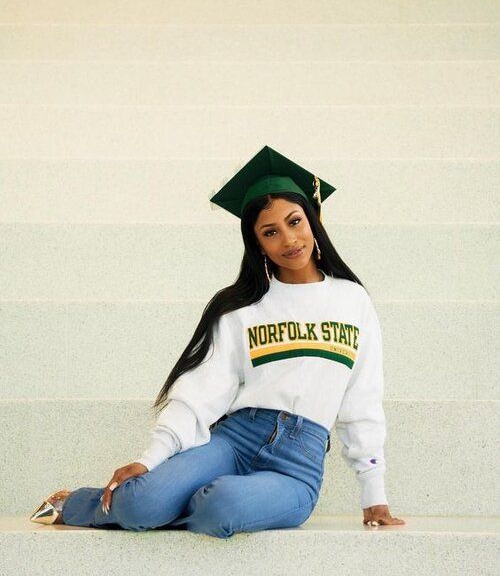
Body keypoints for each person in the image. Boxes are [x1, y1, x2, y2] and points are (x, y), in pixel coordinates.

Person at [30, 144, 406, 536]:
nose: (289, 239)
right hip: (234, 440)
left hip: (298, 464)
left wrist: (373, 493)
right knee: (142, 500)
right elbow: (202, 389)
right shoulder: (241, 307)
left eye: (295, 222)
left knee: (221, 505)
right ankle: (94, 502)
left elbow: (363, 397)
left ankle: (165, 502)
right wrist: (151, 459)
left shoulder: (352, 299)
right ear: (257, 242)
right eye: (271, 232)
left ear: (314, 219)